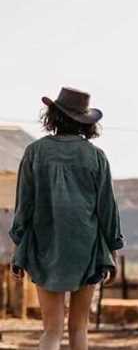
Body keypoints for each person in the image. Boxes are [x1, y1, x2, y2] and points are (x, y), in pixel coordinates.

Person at [9, 87, 125, 350]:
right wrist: (113, 254)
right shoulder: (96, 156)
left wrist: (19, 250)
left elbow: (24, 206)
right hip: (86, 248)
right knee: (79, 328)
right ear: (85, 122)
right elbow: (107, 209)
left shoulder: (34, 152)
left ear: (53, 116)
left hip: (45, 247)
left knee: (51, 330)